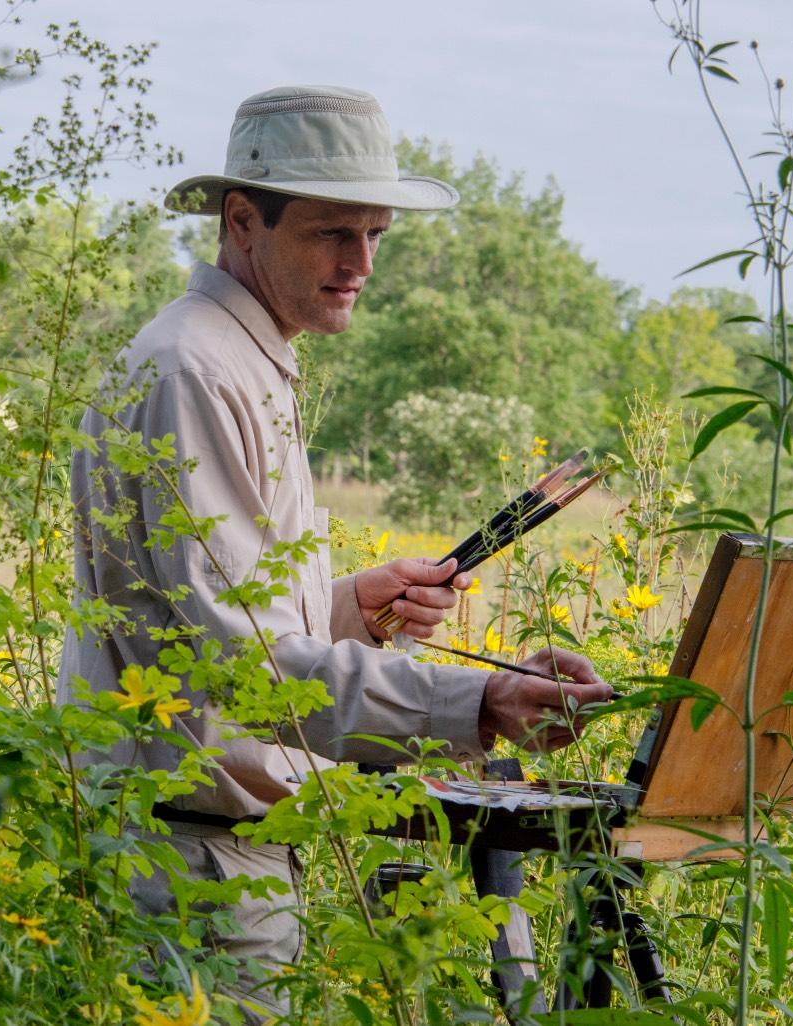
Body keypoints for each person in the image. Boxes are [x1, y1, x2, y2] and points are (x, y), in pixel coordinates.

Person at [57, 84, 612, 1021]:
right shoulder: (198, 370)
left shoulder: (238, 355)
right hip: (190, 865)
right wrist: (478, 699)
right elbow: (237, 662)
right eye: (331, 233)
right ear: (242, 219)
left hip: (211, 846)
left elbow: (204, 614)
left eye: (376, 236)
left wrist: (354, 602)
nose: (360, 263)